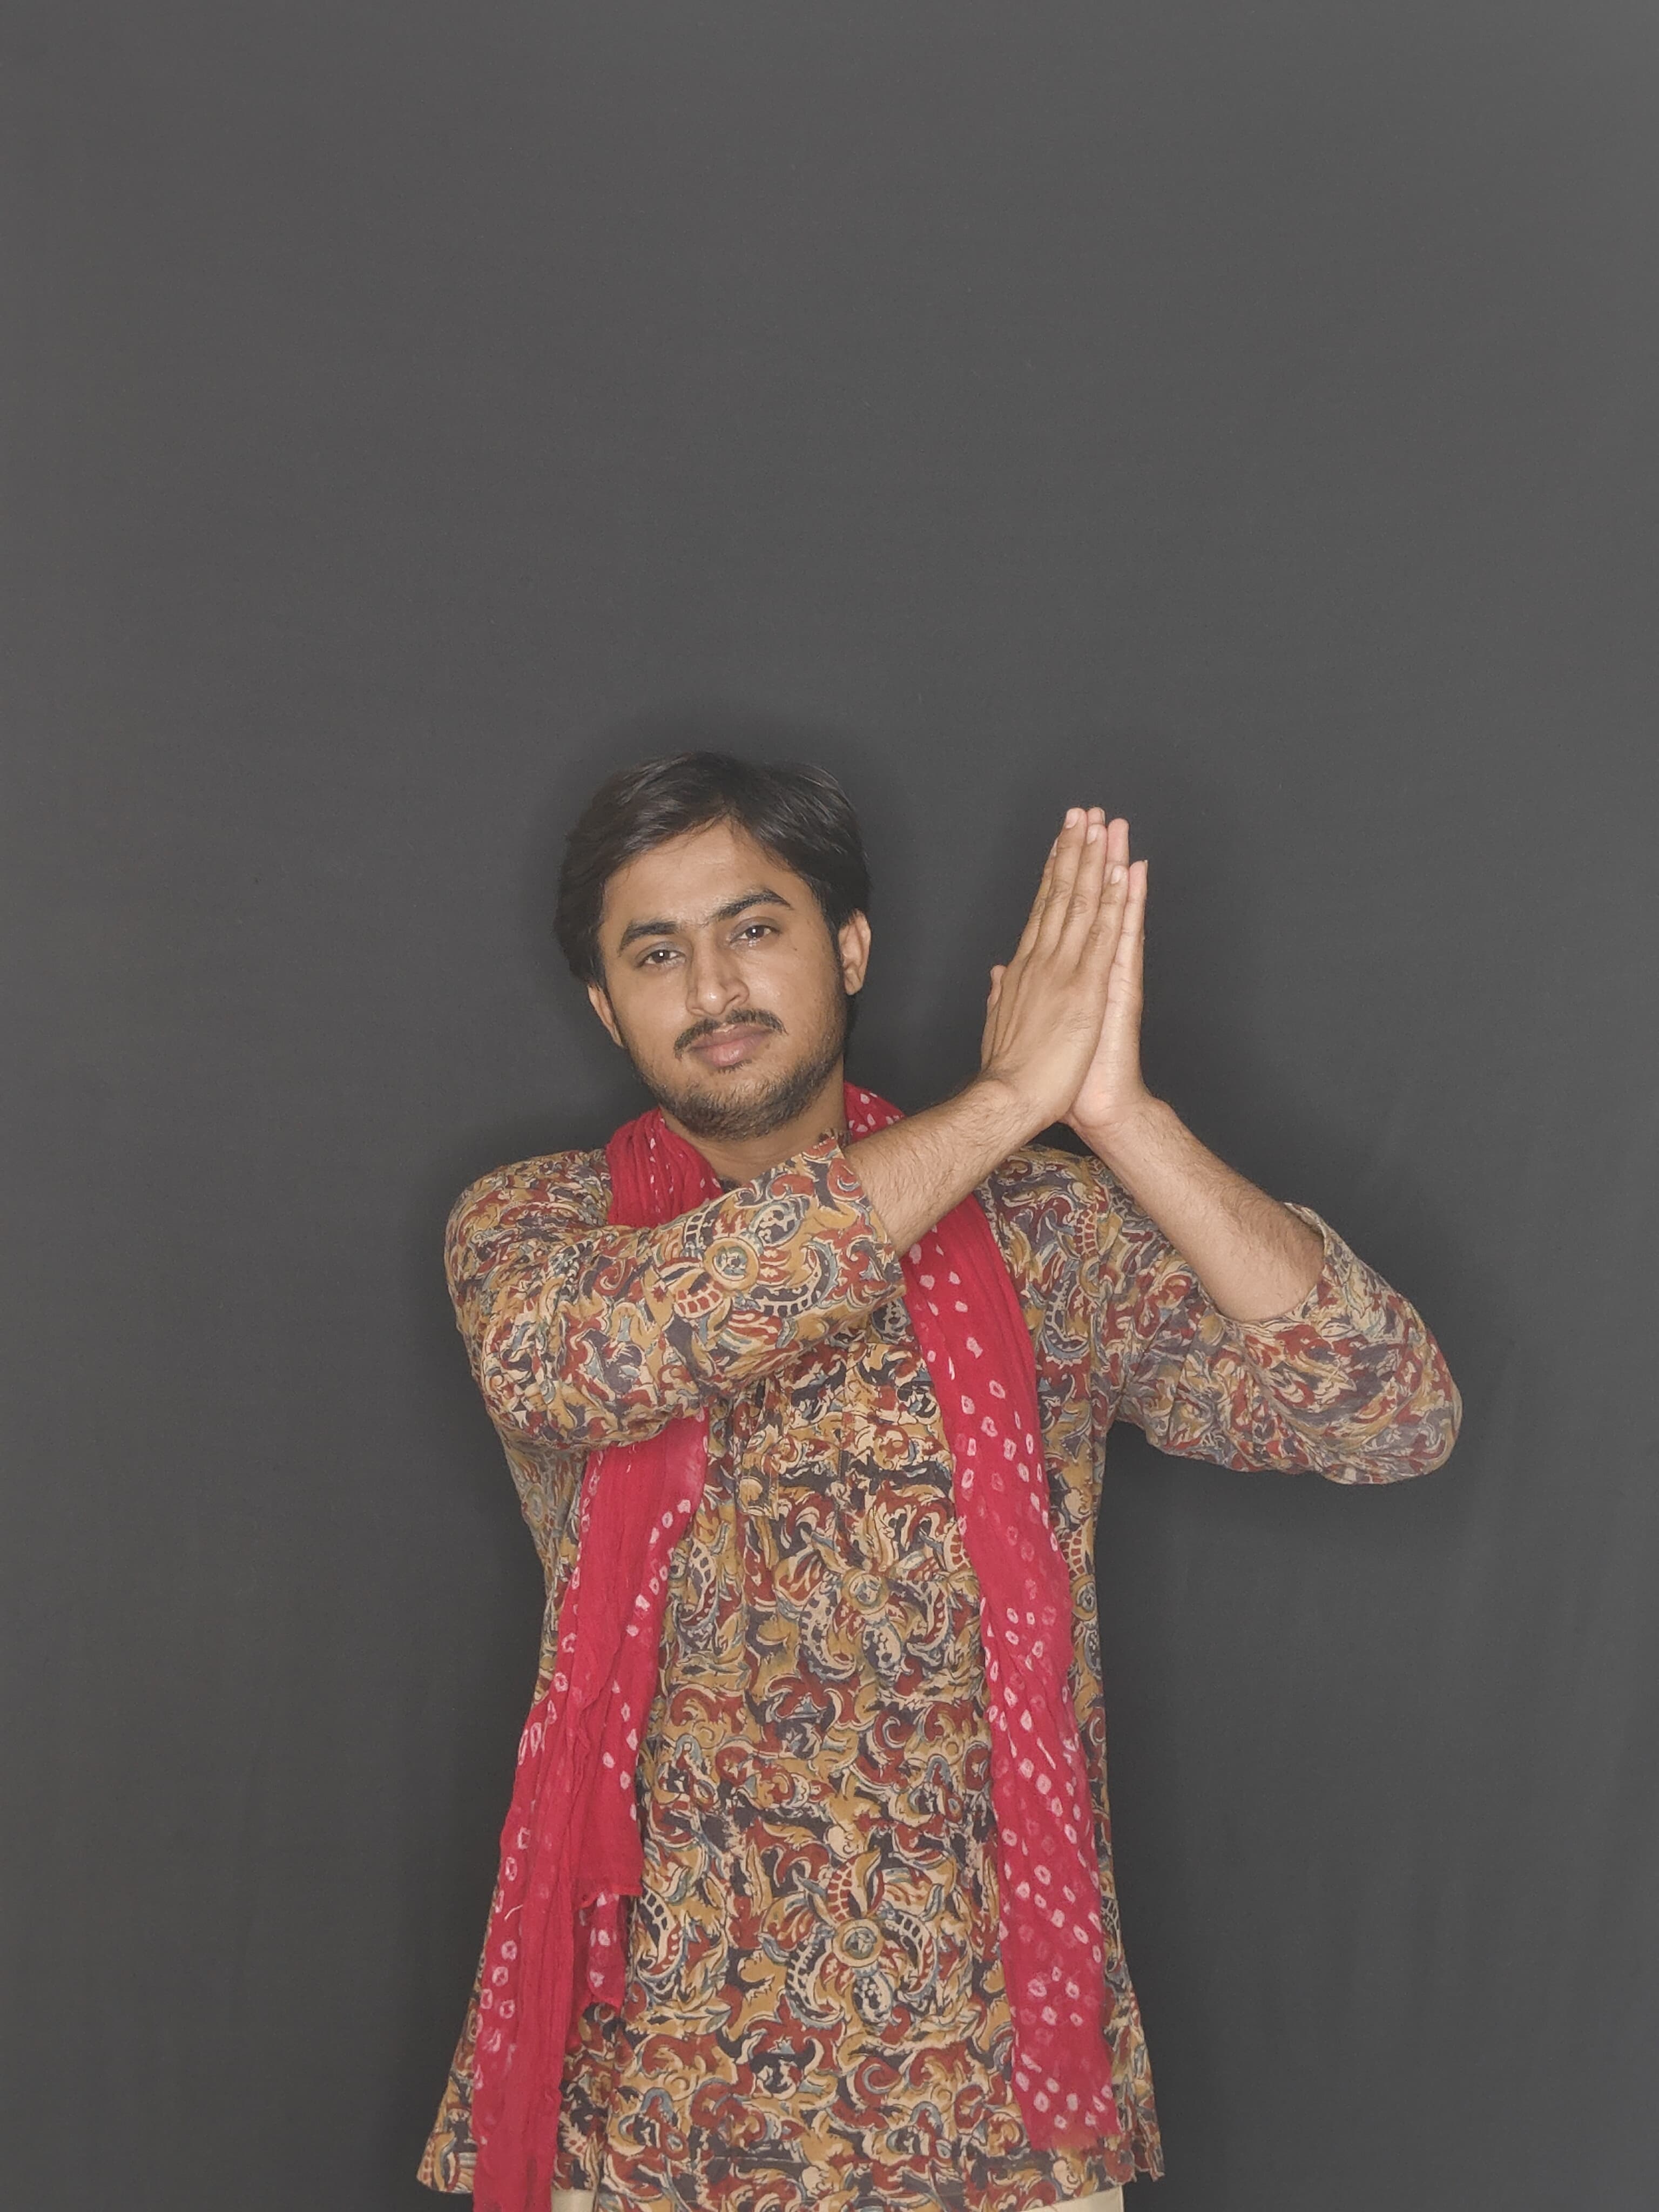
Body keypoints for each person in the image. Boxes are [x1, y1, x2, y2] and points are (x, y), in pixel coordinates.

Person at [419, 751, 1460, 2212]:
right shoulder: (542, 1226)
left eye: (755, 927)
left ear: (849, 947)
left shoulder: (1044, 1235)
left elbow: (1387, 1411)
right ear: (605, 1006)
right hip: (650, 2089)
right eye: (655, 954)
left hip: (991, 2090)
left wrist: (1117, 1119)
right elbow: (585, 1362)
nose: (712, 985)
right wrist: (1003, 1103)